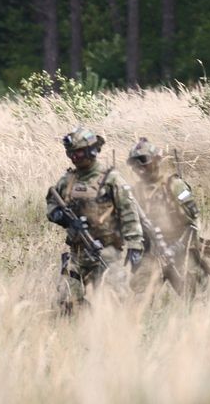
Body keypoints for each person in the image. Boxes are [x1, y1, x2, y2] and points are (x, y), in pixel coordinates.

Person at [45, 127, 144, 312]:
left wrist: (135, 245)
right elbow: (52, 204)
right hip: (76, 253)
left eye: (79, 152)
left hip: (105, 252)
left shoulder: (111, 179)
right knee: (65, 303)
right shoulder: (68, 180)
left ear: (92, 150)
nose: (75, 157)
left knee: (114, 304)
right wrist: (62, 218)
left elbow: (129, 212)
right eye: (71, 153)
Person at [125, 138, 210, 297]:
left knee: (195, 296)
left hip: (181, 249)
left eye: (143, 161)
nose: (139, 167)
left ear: (156, 160)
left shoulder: (175, 185)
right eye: (134, 163)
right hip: (153, 252)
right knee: (139, 295)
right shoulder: (134, 192)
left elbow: (193, 223)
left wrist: (176, 249)